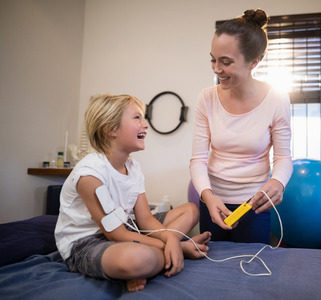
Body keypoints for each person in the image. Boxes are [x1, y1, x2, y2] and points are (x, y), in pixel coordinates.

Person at [55, 94, 211, 292]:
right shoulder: (90, 175)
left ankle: (166, 252)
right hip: (88, 242)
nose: (145, 125)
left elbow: (145, 220)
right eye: (137, 117)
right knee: (136, 259)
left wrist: (170, 238)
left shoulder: (133, 167)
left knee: (190, 210)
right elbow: (116, 233)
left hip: (127, 228)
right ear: (111, 129)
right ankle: (176, 251)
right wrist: (175, 243)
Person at [189, 9, 293, 244]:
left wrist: (278, 182)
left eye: (226, 62)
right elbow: (197, 159)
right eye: (213, 60)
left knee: (251, 267)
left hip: (254, 204)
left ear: (254, 62)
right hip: (212, 201)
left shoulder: (277, 99)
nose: (216, 69)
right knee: (212, 266)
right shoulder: (206, 98)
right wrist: (208, 196)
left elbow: (284, 158)